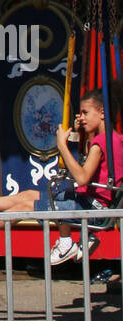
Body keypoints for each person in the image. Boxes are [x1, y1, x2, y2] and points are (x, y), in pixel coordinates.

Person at [49, 89, 123, 265]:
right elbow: (93, 160)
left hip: (94, 206)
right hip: (101, 202)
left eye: (85, 112)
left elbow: (82, 177)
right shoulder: (115, 138)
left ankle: (66, 242)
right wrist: (82, 131)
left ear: (102, 112)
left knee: (41, 196)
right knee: (28, 197)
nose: (81, 116)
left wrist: (62, 146)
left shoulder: (101, 142)